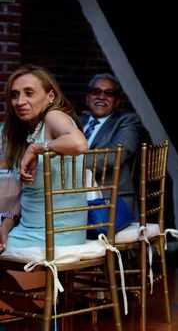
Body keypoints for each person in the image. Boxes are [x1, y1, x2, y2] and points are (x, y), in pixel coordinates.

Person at [0, 64, 88, 309]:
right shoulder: (30, 130)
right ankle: (37, 317)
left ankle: (36, 317)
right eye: (15, 95)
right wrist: (6, 223)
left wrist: (37, 147)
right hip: (37, 228)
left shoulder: (53, 116)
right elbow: (27, 194)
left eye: (29, 93)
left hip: (55, 234)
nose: (20, 101)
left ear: (50, 96)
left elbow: (80, 143)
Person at [80, 73, 147, 215]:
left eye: (109, 93)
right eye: (96, 92)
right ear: (87, 98)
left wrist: (66, 162)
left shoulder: (128, 121)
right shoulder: (75, 122)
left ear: (117, 101)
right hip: (72, 197)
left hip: (109, 201)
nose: (101, 97)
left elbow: (112, 156)